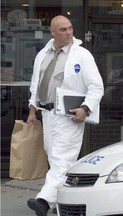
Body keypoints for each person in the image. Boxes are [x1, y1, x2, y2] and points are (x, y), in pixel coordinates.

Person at [26, 15, 104, 215]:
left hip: (69, 116)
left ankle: (43, 200)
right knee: (55, 158)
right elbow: (36, 84)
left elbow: (96, 86)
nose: (68, 32)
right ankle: (64, 202)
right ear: (53, 32)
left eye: (69, 28)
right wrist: (33, 110)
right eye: (62, 30)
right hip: (47, 113)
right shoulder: (43, 54)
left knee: (62, 159)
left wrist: (85, 108)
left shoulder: (82, 55)